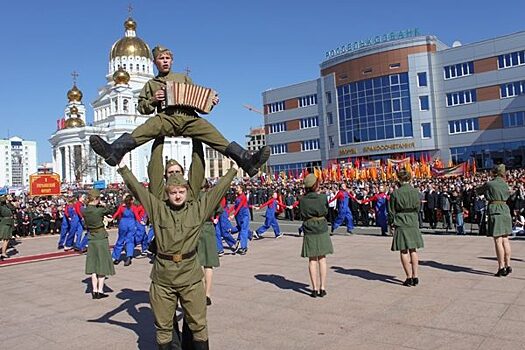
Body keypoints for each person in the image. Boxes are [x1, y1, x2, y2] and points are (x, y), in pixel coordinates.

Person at [89, 45, 269, 177]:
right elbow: (142, 108)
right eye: (161, 58)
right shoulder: (151, 84)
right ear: (155, 62)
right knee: (144, 130)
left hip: (189, 117)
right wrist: (153, 99)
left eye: (168, 58)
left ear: (172, 61)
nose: (165, 61)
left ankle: (247, 160)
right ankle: (114, 151)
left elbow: (199, 102)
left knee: (215, 137)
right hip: (167, 117)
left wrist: (211, 102)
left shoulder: (183, 78)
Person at [117, 152, 236, 350]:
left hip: (190, 276)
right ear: (167, 193)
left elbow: (217, 191)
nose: (178, 195)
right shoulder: (158, 209)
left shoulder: (197, 209)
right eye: (173, 192)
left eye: (181, 191)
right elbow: (138, 190)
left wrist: (232, 170)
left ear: (187, 191)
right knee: (163, 328)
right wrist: (123, 169)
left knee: (199, 325)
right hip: (164, 278)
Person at [298, 174, 333, 298]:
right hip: (321, 227)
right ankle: (322, 288)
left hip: (309, 228)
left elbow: (301, 214)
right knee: (322, 259)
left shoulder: (302, 199)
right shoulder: (322, 197)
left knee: (312, 260)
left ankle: (314, 288)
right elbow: (326, 211)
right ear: (316, 185)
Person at [389, 168, 424, 287]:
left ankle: (408, 277)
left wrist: (391, 224)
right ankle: (416, 276)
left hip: (401, 222)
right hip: (412, 221)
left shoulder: (395, 193)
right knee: (413, 250)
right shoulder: (416, 192)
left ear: (399, 179)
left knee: (403, 250)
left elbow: (391, 211)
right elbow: (418, 208)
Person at [477, 164, 513, 277]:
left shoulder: (490, 183)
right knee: (505, 240)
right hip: (505, 210)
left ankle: (501, 267)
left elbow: (478, 191)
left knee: (498, 240)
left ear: (494, 172)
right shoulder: (505, 184)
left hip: (495, 210)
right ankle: (508, 265)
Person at [83, 189, 115, 299]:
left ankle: (94, 290)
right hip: (101, 237)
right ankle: (100, 290)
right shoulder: (99, 210)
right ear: (96, 199)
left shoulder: (85, 210)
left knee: (93, 264)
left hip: (91, 237)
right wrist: (103, 205)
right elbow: (111, 209)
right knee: (102, 263)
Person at [111, 195, 141, 266]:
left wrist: (112, 218)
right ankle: (128, 257)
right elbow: (137, 217)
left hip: (123, 223)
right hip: (131, 224)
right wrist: (140, 222)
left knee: (120, 240)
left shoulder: (122, 207)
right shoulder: (134, 207)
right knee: (130, 241)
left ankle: (116, 258)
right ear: (131, 201)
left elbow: (117, 214)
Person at [229, 185, 251, 255]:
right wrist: (227, 212)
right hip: (239, 215)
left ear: (241, 189)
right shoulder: (237, 197)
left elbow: (239, 207)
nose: (236, 188)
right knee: (240, 227)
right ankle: (231, 230)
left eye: (237, 187)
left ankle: (244, 247)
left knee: (243, 230)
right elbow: (235, 206)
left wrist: (233, 214)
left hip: (244, 215)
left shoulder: (243, 196)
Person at [0, 195, 14, 260]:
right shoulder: (1, 207)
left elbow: (13, 208)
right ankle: (3, 253)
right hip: (4, 223)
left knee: (6, 239)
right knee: (5, 239)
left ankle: (3, 252)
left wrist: (9, 201)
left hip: (8, 223)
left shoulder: (7, 206)